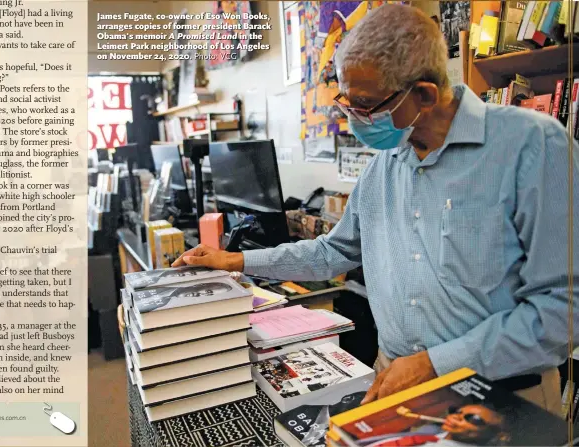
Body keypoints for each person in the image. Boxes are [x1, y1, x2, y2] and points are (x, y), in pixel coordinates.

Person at [173, 4, 578, 415]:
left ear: (424, 95)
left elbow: (563, 306)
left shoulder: (534, 146)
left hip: (501, 394)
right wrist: (236, 260)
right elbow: (332, 253)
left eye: (365, 105)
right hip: (396, 378)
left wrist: (436, 363)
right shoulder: (384, 165)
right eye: (347, 102)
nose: (354, 119)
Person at [354, 404, 510, 447]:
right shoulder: (432, 431)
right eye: (457, 411)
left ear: (498, 434)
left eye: (474, 418)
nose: (457, 417)